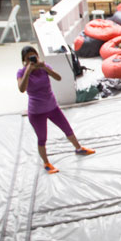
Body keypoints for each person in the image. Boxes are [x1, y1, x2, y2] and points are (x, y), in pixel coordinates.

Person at [17, 45, 95, 174]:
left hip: (52, 107)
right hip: (36, 112)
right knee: (42, 138)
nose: (32, 60)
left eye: (34, 56)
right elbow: (21, 89)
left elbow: (58, 78)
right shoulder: (21, 72)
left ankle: (79, 148)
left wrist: (44, 67)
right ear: (24, 60)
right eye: (28, 58)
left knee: (67, 128)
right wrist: (28, 71)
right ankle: (46, 163)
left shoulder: (44, 67)